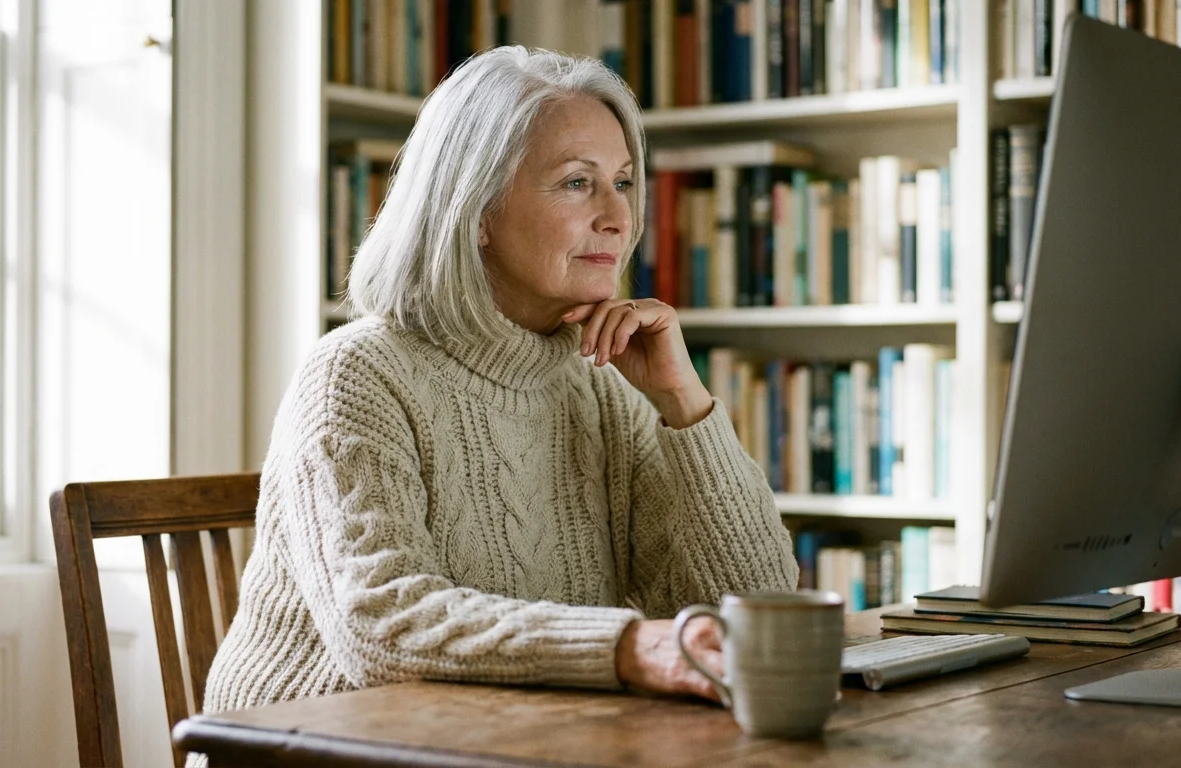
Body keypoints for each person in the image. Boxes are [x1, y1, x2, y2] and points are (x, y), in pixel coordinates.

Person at [199, 46, 799, 724]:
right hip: (317, 746)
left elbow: (753, 605)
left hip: (512, 739)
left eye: (624, 182)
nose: (618, 216)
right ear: (476, 209)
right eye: (577, 182)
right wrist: (628, 646)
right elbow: (383, 627)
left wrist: (684, 405)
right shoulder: (356, 374)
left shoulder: (598, 385)